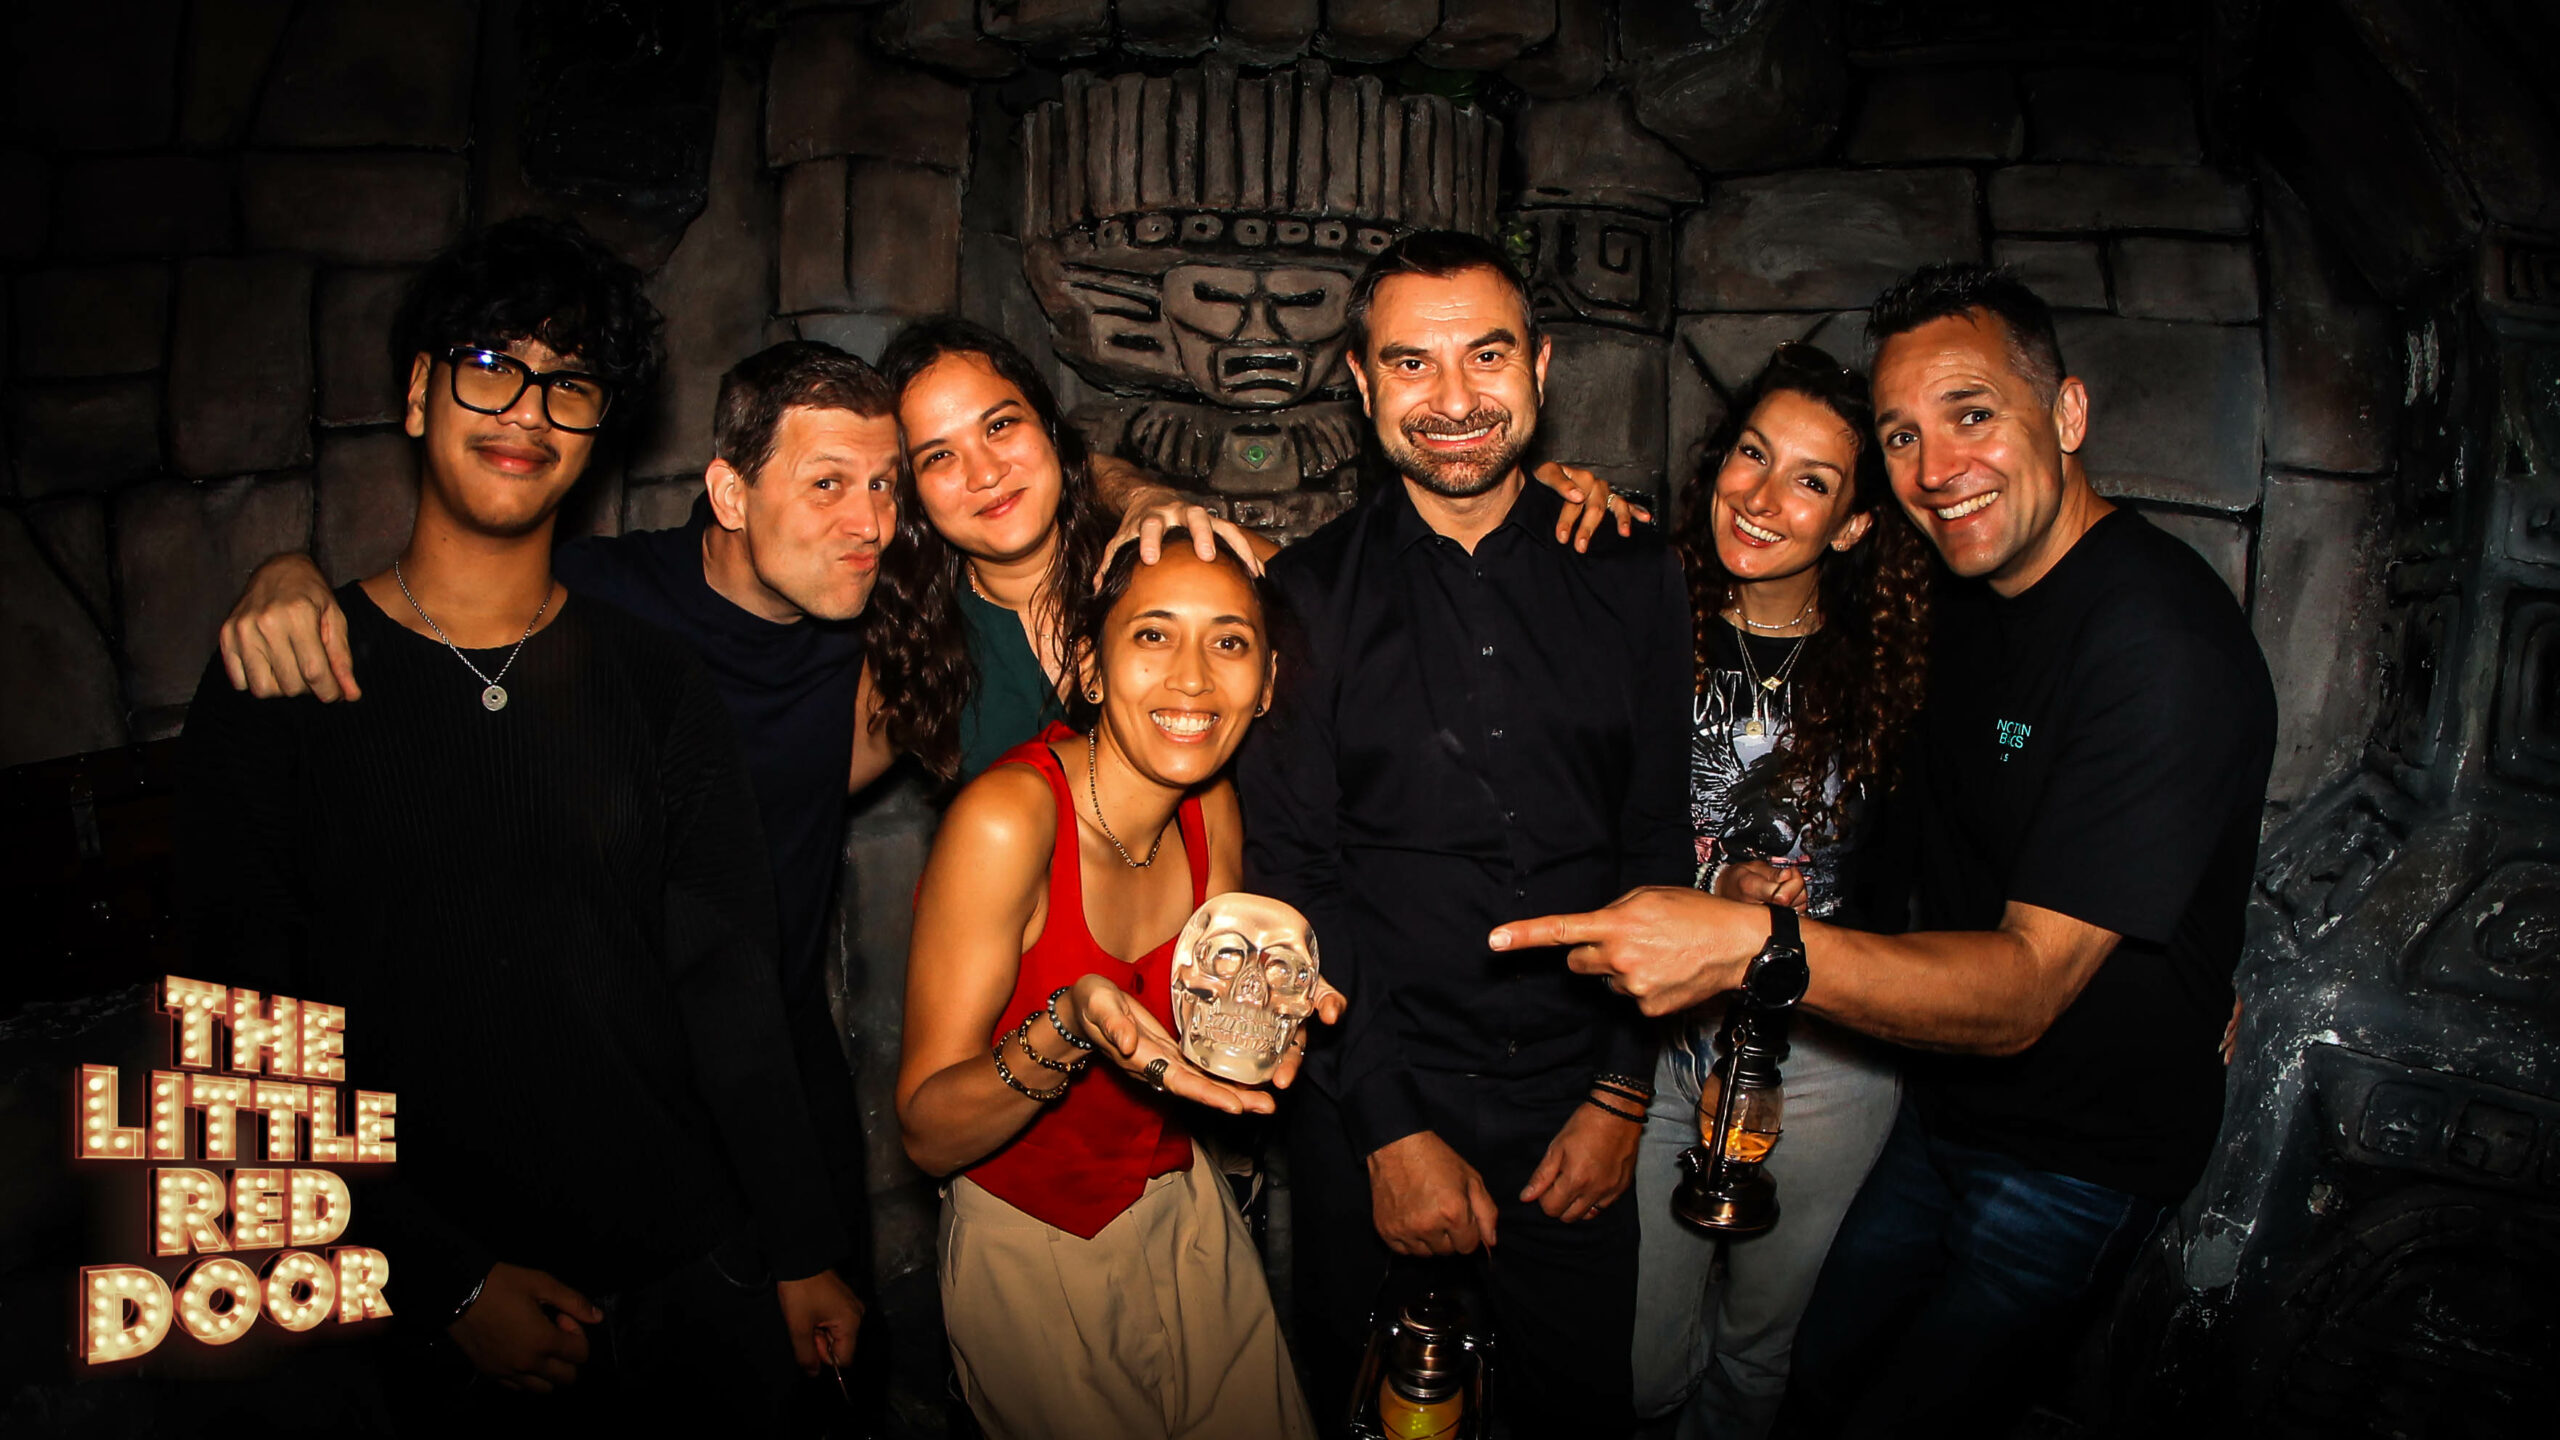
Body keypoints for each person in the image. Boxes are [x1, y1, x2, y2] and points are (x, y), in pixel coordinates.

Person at [1490, 263, 2277, 1435]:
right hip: (1931, 1101)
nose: (1937, 467)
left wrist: (1753, 940)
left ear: (2066, 413)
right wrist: (1552, 506)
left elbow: (2029, 983)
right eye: (1904, 434)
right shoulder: (1957, 600)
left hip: (2067, 1152)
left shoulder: (2158, 641)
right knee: (1803, 1381)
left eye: (1972, 414)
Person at [178, 217, 863, 1431]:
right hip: (428, 1311)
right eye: (492, 365)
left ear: (596, 433)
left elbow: (730, 991)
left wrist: (799, 1244)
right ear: (417, 394)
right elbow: (240, 1044)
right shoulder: (284, 681)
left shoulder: (656, 681)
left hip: (685, 1263)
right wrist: (439, 1280)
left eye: (571, 384)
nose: (528, 411)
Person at [1237, 230, 1694, 1438]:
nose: (1453, 399)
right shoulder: (1303, 595)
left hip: (1578, 1103)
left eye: (1486, 356)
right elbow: (1295, 873)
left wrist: (1620, 1096)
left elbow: (1656, 839)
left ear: (1539, 366)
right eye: (1411, 363)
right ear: (1360, 381)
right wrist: (1388, 1130)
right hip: (1375, 1097)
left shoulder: (1638, 572)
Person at [895, 532, 1339, 1440]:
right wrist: (1067, 1025)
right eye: (1153, 635)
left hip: (1185, 1204)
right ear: (1092, 670)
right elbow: (927, 1135)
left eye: (1228, 641)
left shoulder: (1212, 808)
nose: (1193, 678)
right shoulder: (1008, 821)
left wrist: (1263, 1008)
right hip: (1030, 1242)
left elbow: (1202, 1034)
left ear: (1265, 682)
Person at [862, 316, 1652, 788]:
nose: (985, 472)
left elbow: (1389, 597)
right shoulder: (914, 639)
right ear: (909, 491)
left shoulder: (1177, 557)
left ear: (1048, 427)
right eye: (938, 456)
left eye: (1001, 425)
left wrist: (1507, 503)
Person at [1632, 343, 1932, 1438]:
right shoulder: (1637, 614)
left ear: (1852, 526)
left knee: (1758, 1351)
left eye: (1810, 480)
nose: (1761, 499)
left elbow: (1996, 829)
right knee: (1635, 1361)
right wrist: (1717, 882)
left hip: (1827, 1056)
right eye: (1752, 455)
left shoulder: (1900, 663)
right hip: (1655, 1034)